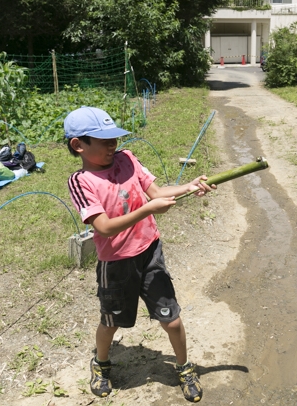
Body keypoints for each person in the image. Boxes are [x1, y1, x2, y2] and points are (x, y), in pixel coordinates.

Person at [64, 106, 215, 403]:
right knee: (111, 321)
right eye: (103, 140)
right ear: (78, 145)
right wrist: (145, 209)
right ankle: (102, 364)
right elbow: (104, 227)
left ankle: (184, 367)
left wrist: (189, 186)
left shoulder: (128, 160)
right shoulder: (81, 182)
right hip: (116, 264)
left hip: (150, 252)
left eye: (114, 138)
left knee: (171, 319)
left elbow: (156, 193)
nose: (112, 145)